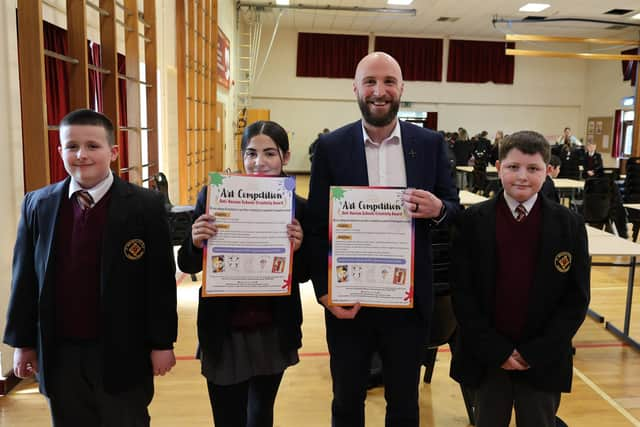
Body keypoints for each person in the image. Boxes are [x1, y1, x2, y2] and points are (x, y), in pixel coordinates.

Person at [306, 51, 460, 427]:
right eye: (371, 82)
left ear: (401, 88)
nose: (380, 90)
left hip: (407, 302)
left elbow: (455, 210)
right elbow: (314, 225)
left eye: (389, 82)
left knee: (405, 402)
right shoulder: (330, 147)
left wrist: (438, 207)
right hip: (349, 300)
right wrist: (323, 291)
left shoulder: (429, 144)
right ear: (355, 88)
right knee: (346, 399)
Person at [3, 109, 178, 427]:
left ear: (113, 151)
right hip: (61, 352)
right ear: (60, 151)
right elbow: (25, 279)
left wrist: (162, 343)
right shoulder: (37, 205)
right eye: (71, 146)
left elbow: (160, 283)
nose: (81, 155)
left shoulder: (145, 206)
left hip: (124, 349)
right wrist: (23, 343)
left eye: (92, 146)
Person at [450, 130, 590, 427]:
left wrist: (536, 352)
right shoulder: (473, 221)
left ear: (549, 171)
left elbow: (576, 301)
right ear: (498, 168)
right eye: (513, 167)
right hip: (488, 357)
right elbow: (463, 294)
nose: (522, 176)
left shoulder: (570, 225)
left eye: (534, 168)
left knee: (539, 421)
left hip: (542, 358)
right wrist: (496, 350)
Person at [177, 120, 309, 427]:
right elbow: (187, 264)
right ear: (241, 156)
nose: (258, 163)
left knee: (261, 415)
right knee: (227, 418)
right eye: (250, 153)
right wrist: (196, 242)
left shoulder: (297, 206)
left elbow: (303, 275)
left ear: (285, 157)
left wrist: (299, 248)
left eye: (269, 154)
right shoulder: (213, 196)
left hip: (273, 330)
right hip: (225, 330)